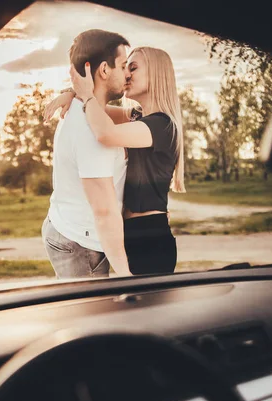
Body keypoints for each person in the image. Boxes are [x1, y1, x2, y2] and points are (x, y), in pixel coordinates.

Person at [44, 46, 185, 275]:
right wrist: (73, 94)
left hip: (150, 241)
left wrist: (86, 95)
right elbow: (98, 110)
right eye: (125, 67)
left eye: (134, 67)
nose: (126, 74)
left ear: (157, 74)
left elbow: (105, 133)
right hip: (132, 234)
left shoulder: (163, 126)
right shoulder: (139, 117)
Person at [42, 29, 132, 279]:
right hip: (80, 243)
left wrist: (73, 93)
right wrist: (126, 276)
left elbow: (129, 116)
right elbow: (104, 212)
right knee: (89, 316)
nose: (128, 74)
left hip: (67, 225)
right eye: (124, 65)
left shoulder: (86, 108)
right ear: (104, 70)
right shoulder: (90, 131)